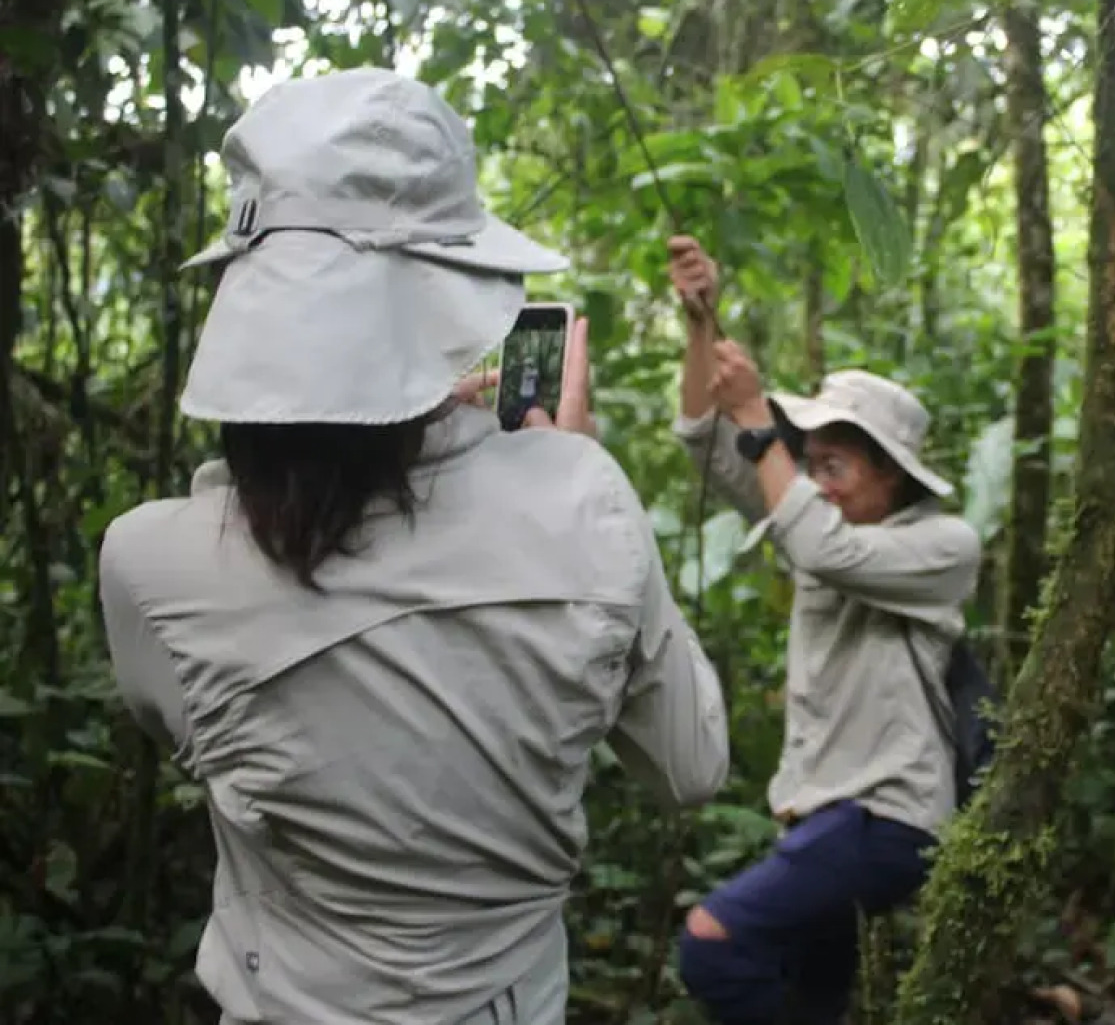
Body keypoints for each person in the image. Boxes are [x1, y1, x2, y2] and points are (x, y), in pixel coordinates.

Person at [96, 68, 729, 1025]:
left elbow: (194, 718)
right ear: (454, 296)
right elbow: (692, 767)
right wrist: (564, 470)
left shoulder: (150, 564)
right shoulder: (579, 499)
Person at [666, 238, 983, 1025]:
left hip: (883, 817)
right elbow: (705, 440)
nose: (812, 484)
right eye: (808, 464)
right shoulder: (819, 518)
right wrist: (699, 323)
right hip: (824, 813)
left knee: (712, 945)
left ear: (893, 478)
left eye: (832, 466)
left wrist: (756, 416)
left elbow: (819, 543)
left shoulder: (941, 546)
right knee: (814, 1000)